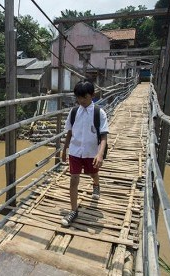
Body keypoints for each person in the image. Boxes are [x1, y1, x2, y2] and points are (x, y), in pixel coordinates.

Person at [61, 80, 109, 227]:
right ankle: (74, 211)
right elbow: (70, 132)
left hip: (91, 153)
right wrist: (64, 149)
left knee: (93, 173)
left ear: (92, 95)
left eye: (84, 97)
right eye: (78, 97)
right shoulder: (74, 112)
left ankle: (96, 184)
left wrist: (100, 154)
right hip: (75, 152)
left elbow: (104, 137)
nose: (81, 101)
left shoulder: (99, 113)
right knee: (74, 179)